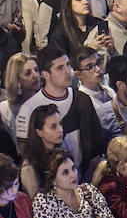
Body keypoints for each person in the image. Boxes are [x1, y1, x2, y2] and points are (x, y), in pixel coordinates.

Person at [12, 47, 105, 177]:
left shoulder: (82, 99)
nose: (67, 71)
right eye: (60, 68)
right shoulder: (29, 108)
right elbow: (26, 154)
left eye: (67, 65)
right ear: (45, 74)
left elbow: (96, 143)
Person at [30, 150, 119, 218]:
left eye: (73, 169)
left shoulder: (88, 190)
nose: (73, 175)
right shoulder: (43, 201)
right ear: (52, 180)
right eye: (65, 172)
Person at [20, 104, 70, 195]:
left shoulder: (63, 149)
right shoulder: (29, 167)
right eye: (53, 126)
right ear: (39, 132)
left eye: (60, 124)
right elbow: (36, 201)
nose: (60, 130)